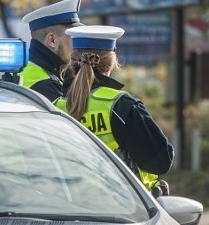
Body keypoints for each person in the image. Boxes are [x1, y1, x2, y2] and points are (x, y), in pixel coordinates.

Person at [56, 25, 173, 197]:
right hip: (122, 207)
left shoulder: (54, 107)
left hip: (70, 206)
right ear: (111, 63)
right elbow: (160, 162)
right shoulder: (122, 106)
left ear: (73, 61)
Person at [19, 0, 84, 102]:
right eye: (73, 37)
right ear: (52, 40)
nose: (77, 46)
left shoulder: (28, 67)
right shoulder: (45, 86)